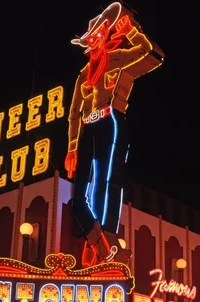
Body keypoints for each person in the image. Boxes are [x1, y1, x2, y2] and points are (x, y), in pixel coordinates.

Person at [66, 2, 164, 266]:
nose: (96, 40)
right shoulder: (83, 76)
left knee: (107, 183)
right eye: (92, 38)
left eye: (100, 35)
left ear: (106, 36)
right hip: (87, 128)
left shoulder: (120, 58)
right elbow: (74, 112)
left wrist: (131, 31)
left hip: (111, 120)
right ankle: (96, 240)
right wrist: (72, 147)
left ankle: (103, 241)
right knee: (78, 199)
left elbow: (154, 55)